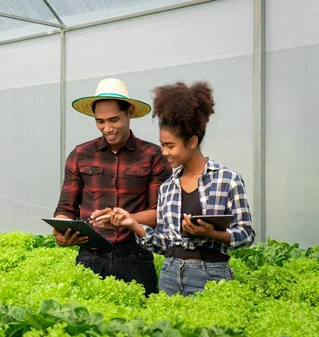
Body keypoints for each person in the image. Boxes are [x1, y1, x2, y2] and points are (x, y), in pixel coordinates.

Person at [95, 80, 256, 296]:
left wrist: (214, 234)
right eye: (162, 145)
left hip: (211, 275)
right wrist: (132, 224)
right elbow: (163, 243)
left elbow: (246, 234)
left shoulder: (228, 180)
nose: (164, 152)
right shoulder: (168, 187)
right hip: (170, 275)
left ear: (192, 142)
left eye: (170, 146)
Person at [53, 78, 172, 296]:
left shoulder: (153, 156)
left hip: (135, 257)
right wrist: (61, 230)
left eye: (114, 120)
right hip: (89, 257)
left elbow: (160, 214)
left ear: (130, 114)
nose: (107, 128)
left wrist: (123, 218)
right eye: (100, 121)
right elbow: (65, 209)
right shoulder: (80, 154)